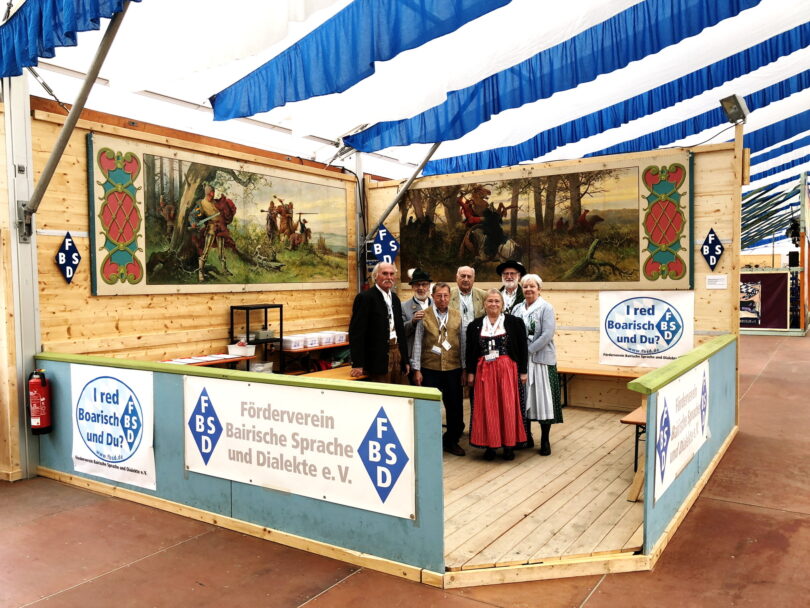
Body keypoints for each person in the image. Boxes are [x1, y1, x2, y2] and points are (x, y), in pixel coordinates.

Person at [466, 289, 528, 461]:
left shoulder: (514, 322)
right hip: (484, 371)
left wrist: (523, 371)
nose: (493, 304)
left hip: (507, 370)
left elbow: (523, 348)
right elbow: (470, 351)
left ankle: (509, 445)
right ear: (484, 304)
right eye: (490, 301)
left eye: (497, 301)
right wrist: (470, 372)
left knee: (507, 407)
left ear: (502, 304)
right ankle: (490, 446)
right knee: (487, 407)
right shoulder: (475, 325)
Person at [412, 282, 466, 456]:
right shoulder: (424, 315)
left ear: (450, 297)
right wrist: (417, 369)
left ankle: (451, 441)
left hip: (453, 369)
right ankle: (429, 442)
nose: (442, 299)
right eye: (439, 295)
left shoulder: (457, 315)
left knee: (455, 407)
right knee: (429, 407)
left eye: (445, 295)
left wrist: (464, 368)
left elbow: (463, 343)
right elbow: (418, 343)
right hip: (430, 369)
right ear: (433, 297)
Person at [512, 274, 562, 456]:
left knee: (543, 401)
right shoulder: (517, 309)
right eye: (525, 286)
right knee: (525, 399)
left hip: (541, 361)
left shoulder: (546, 308)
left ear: (539, 289)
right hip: (523, 363)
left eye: (532, 286)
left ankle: (545, 440)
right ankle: (527, 436)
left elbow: (547, 334)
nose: (528, 289)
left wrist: (528, 351)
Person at [348, 262, 409, 384]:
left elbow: (400, 331)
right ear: (375, 276)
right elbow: (356, 333)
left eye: (391, 274)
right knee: (383, 392)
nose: (389, 277)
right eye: (384, 274)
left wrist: (405, 360)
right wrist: (358, 363)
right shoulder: (365, 298)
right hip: (377, 357)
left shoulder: (395, 299)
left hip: (397, 353)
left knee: (401, 391)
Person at [189, 183, 236, 282]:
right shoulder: (201, 204)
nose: (213, 194)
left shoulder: (216, 202)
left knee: (221, 250)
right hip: (211, 228)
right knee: (206, 251)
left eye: (213, 192)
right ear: (208, 193)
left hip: (221, 228)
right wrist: (193, 222)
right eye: (211, 193)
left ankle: (224, 270)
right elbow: (192, 215)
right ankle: (201, 272)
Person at [402, 268, 433, 366]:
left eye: (424, 284)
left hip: (434, 356)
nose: (421, 288)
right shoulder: (403, 306)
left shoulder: (436, 304)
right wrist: (413, 322)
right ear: (412, 286)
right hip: (414, 356)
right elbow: (400, 331)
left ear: (429, 286)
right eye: (417, 285)